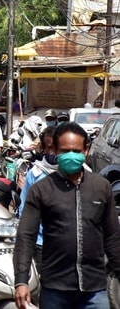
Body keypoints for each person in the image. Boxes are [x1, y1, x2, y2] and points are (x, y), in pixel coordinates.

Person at [14, 122, 120, 309]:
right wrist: (21, 280)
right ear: (54, 150)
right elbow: (26, 236)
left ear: (86, 150)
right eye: (65, 151)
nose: (71, 155)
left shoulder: (101, 187)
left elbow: (112, 237)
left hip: (94, 290)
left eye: (76, 151)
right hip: (55, 289)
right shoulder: (42, 189)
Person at [16, 126, 57, 273]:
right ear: (43, 149)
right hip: (40, 243)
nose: (52, 152)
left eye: (57, 148)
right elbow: (23, 210)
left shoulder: (75, 175)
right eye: (49, 148)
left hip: (65, 246)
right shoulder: (35, 174)